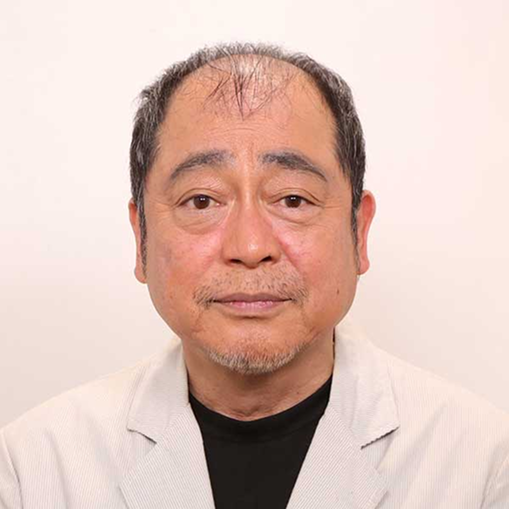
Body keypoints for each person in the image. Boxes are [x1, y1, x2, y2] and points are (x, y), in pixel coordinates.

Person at [0, 42, 508, 509]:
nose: (249, 248)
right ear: (141, 238)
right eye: (202, 200)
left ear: (359, 231)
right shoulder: (34, 466)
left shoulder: (484, 464)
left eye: (293, 199)